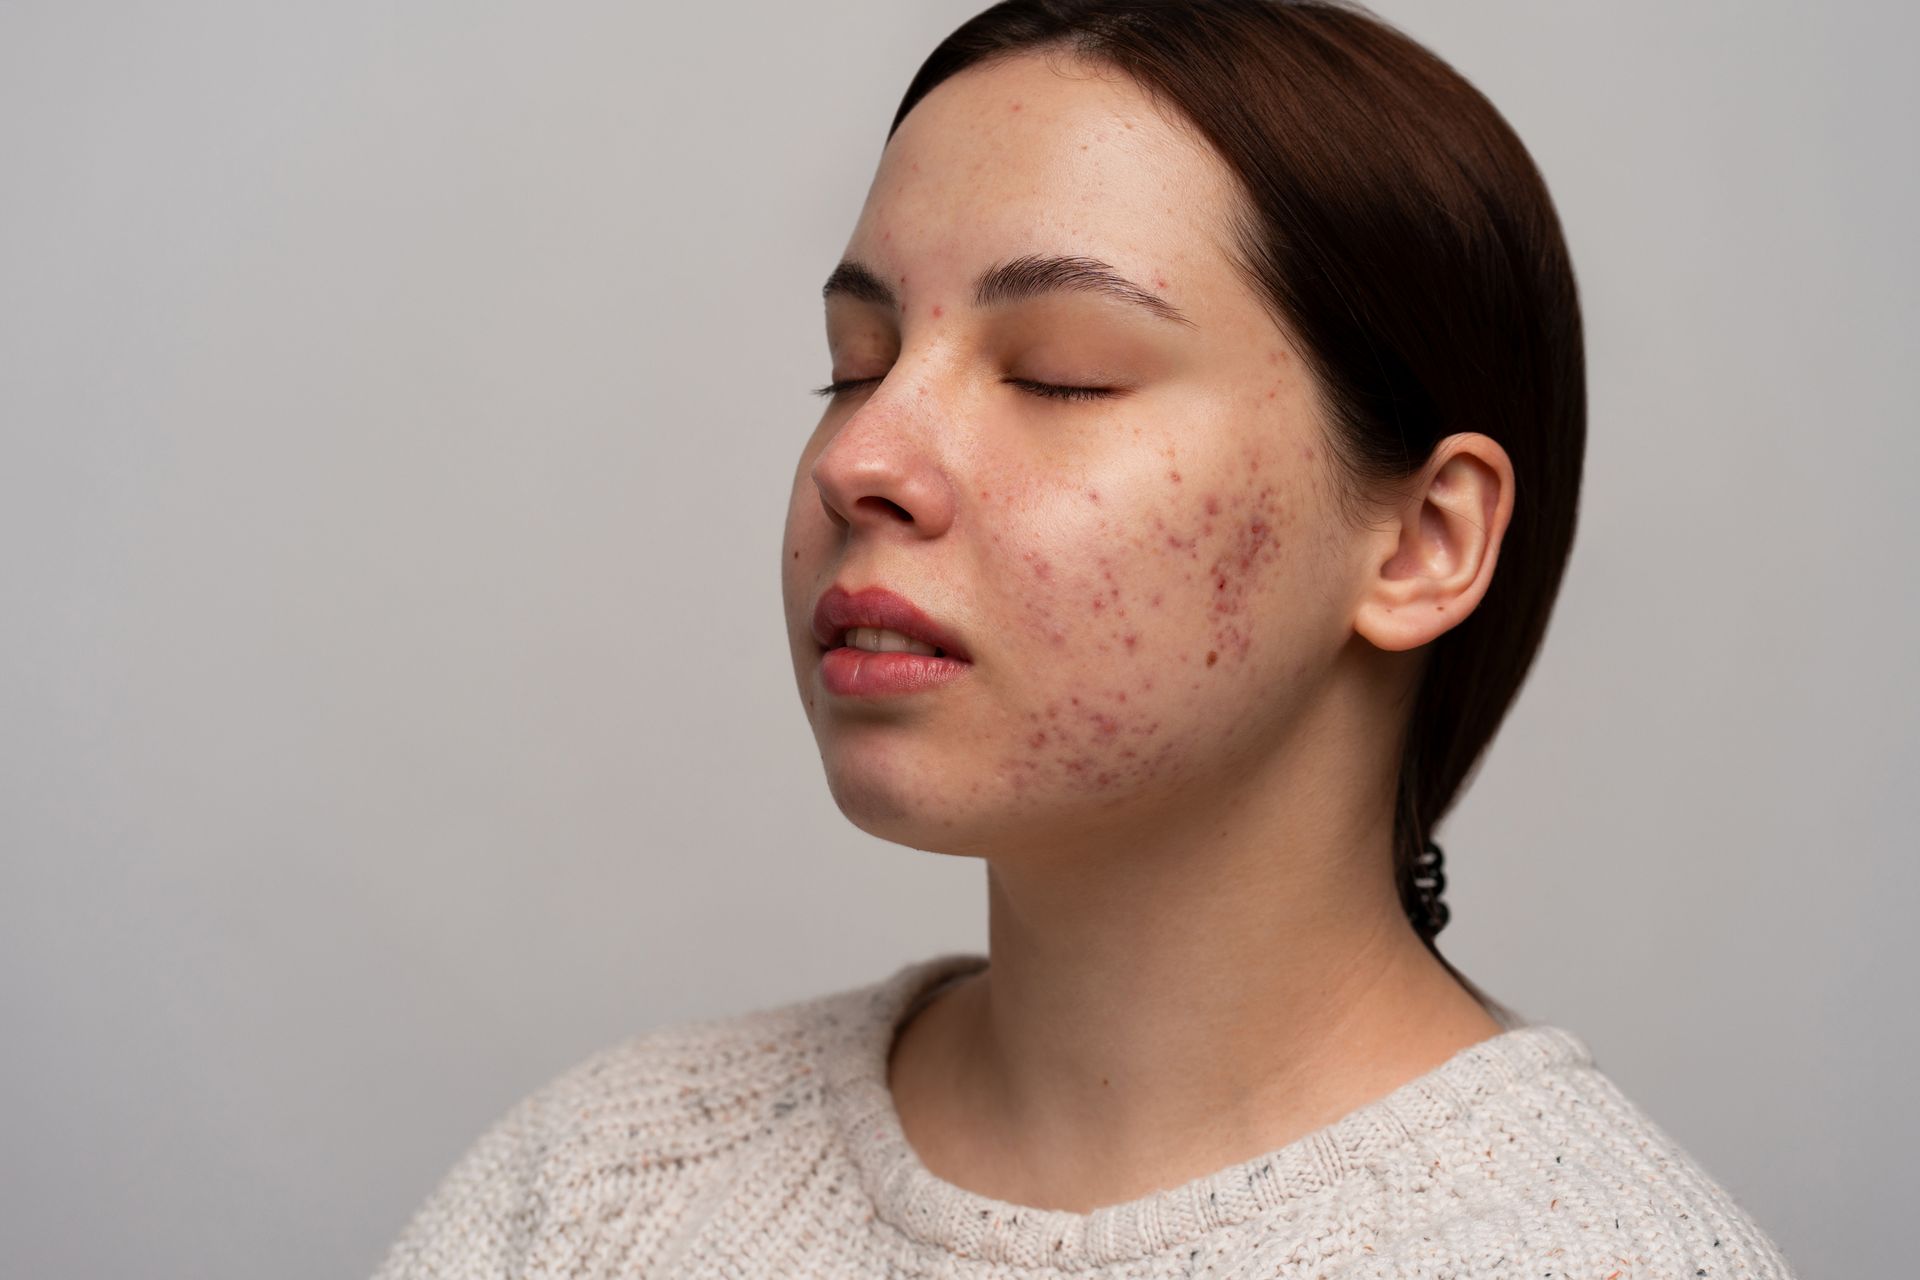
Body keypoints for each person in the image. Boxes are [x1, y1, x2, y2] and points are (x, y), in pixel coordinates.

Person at [373, 1, 1801, 1275]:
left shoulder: (1602, 1257)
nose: (862, 455)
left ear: (1424, 540)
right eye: (854, 364)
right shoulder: (595, 1189)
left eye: (1058, 375)